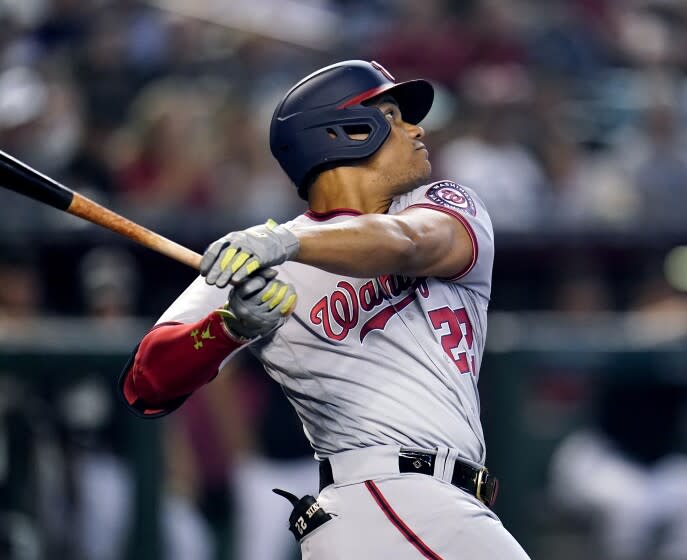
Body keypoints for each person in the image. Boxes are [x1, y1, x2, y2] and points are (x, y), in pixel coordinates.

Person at [119, 59, 529, 559]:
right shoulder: (259, 260)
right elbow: (146, 383)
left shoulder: (438, 203)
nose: (416, 128)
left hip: (433, 509)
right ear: (345, 132)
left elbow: (407, 243)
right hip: (388, 498)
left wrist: (287, 240)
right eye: (394, 116)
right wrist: (229, 326)